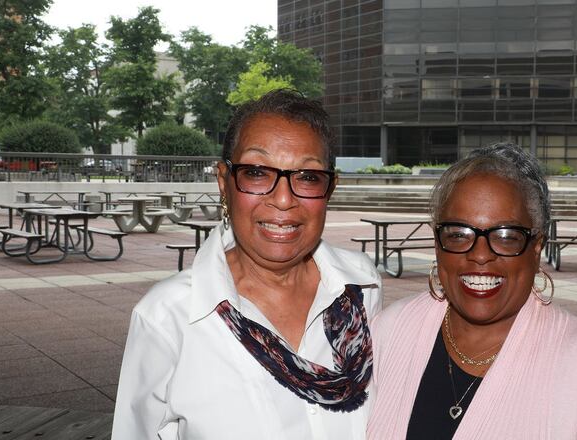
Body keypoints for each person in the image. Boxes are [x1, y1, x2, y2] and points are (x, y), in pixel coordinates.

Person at [112, 89, 382, 439]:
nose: (284, 200)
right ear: (224, 182)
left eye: (308, 177)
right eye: (256, 172)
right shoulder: (168, 317)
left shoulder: (362, 288)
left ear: (329, 188)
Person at [367, 143, 577, 439]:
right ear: (438, 243)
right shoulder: (389, 332)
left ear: (536, 248)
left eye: (506, 236)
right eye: (459, 234)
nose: (480, 255)